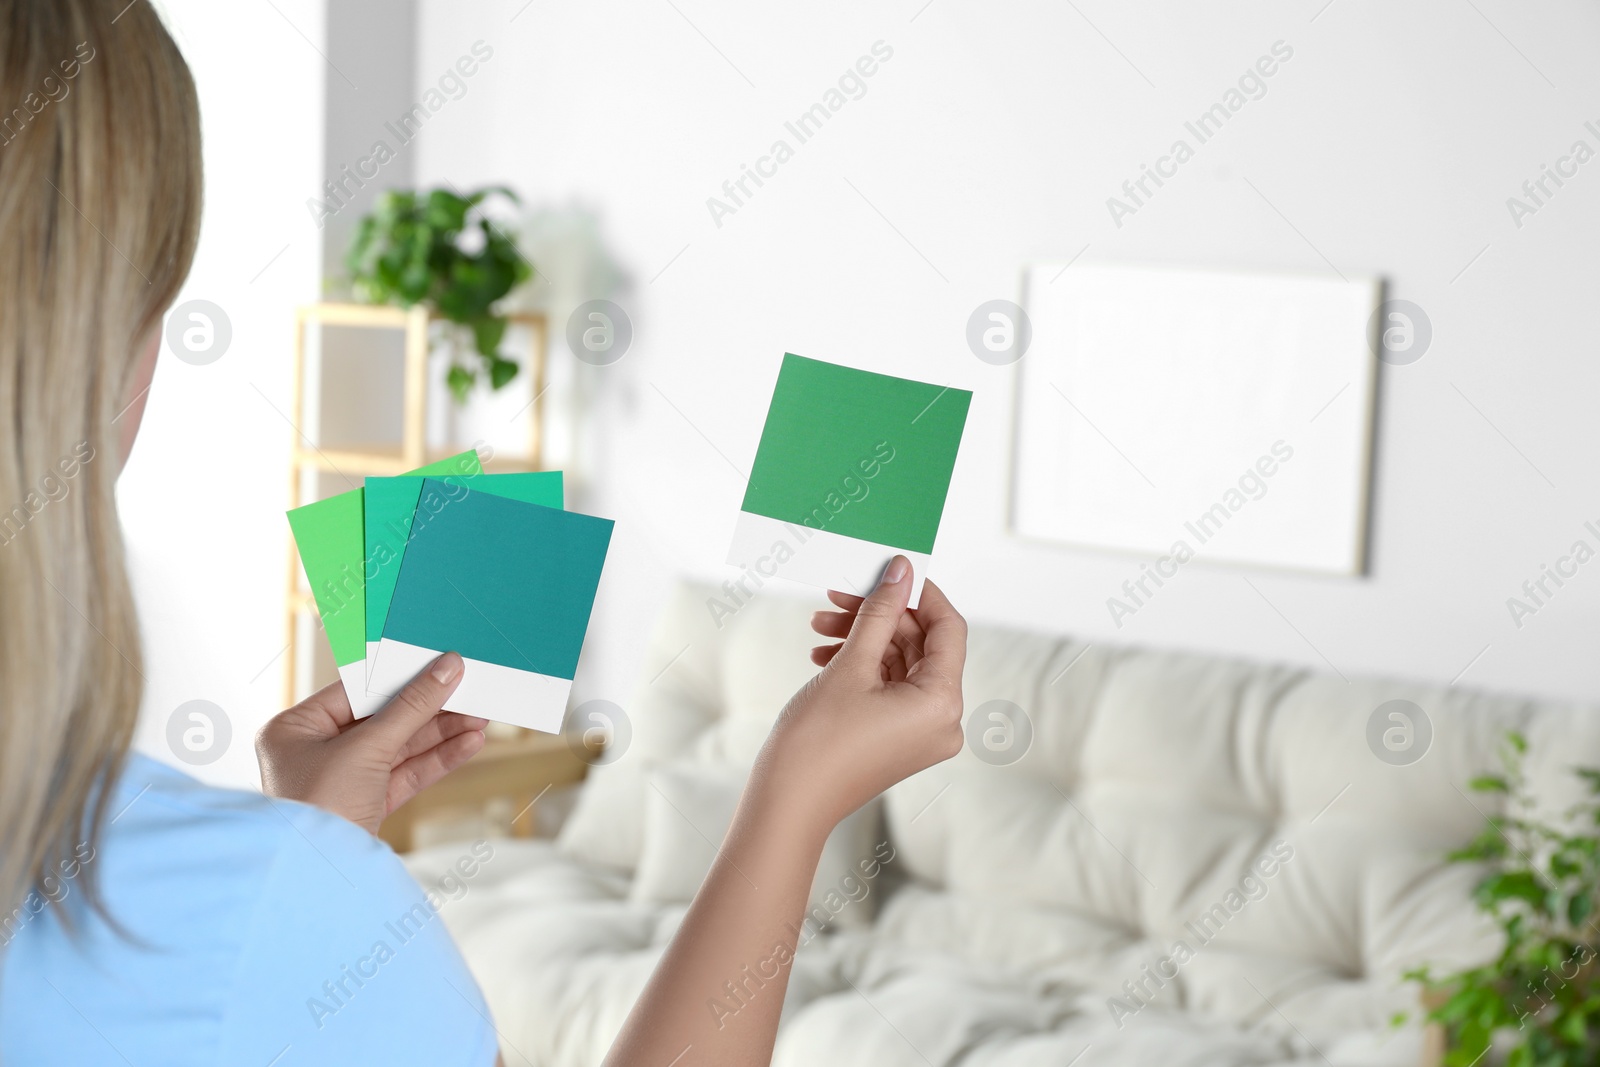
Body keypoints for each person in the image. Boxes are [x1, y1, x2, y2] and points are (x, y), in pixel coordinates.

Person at [0, 2, 969, 1064]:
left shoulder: (260, 898)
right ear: (106, 346)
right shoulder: (251, 913)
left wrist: (309, 856)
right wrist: (797, 796)